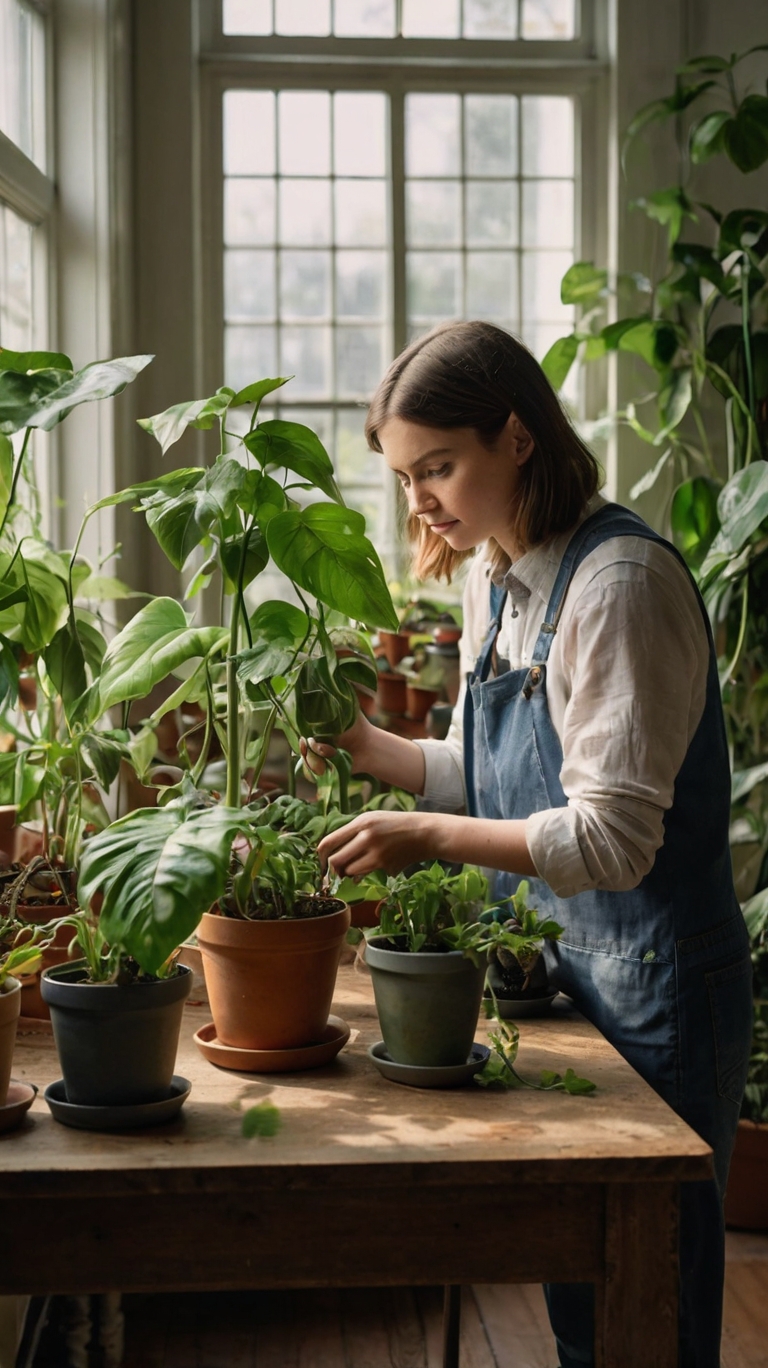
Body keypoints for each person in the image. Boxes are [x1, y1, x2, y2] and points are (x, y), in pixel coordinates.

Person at [308, 319, 752, 1368]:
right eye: (407, 476)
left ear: (517, 438)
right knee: (583, 1292)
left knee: (651, 1299)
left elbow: (612, 838)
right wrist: (362, 742)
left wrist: (431, 836)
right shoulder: (498, 576)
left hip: (657, 988)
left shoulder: (619, 585)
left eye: (439, 466)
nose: (420, 500)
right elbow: (496, 770)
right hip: (560, 973)